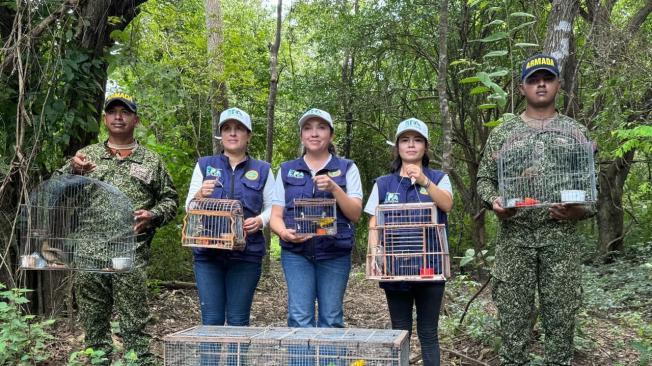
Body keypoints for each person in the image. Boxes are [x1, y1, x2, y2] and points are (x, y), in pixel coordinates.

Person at [477, 54, 595, 365]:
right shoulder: (504, 132)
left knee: (561, 324)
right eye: (533, 79)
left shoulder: (576, 132)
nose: (540, 84)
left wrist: (577, 211)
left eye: (547, 78)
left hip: (562, 243)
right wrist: (495, 203)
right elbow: (484, 180)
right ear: (521, 88)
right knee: (514, 326)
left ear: (559, 84)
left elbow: (592, 193)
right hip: (516, 241)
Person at [61, 92, 179, 365]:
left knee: (135, 324)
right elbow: (59, 190)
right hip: (89, 253)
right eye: (112, 112)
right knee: (94, 326)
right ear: (104, 119)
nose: (118, 116)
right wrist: (73, 170)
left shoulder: (151, 161)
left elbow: (170, 200)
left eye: (124, 112)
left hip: (130, 253)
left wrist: (152, 214)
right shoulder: (85, 156)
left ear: (135, 119)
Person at [364, 118, 453, 366]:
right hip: (396, 270)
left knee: (428, 333)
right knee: (400, 332)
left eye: (417, 140)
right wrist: (376, 257)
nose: (411, 145)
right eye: (405, 140)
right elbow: (374, 223)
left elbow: (446, 204)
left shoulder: (439, 178)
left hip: (431, 268)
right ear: (397, 146)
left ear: (425, 146)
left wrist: (424, 181)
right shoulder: (383, 183)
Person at [270, 108, 363, 329]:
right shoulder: (286, 170)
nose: (314, 133)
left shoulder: (347, 168)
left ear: (330, 135)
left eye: (321, 128)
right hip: (296, 255)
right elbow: (275, 215)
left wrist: (335, 189)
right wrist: (284, 233)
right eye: (308, 128)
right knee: (299, 317)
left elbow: (355, 213)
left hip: (335, 253)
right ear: (301, 135)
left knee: (331, 318)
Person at [185, 107, 274, 327]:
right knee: (211, 319)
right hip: (208, 254)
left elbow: (273, 208)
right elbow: (189, 206)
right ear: (221, 135)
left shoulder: (263, 170)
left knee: (238, 319)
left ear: (248, 135)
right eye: (227, 129)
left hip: (247, 255)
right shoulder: (205, 165)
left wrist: (260, 220)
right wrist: (199, 194)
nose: (232, 133)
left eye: (239, 129)